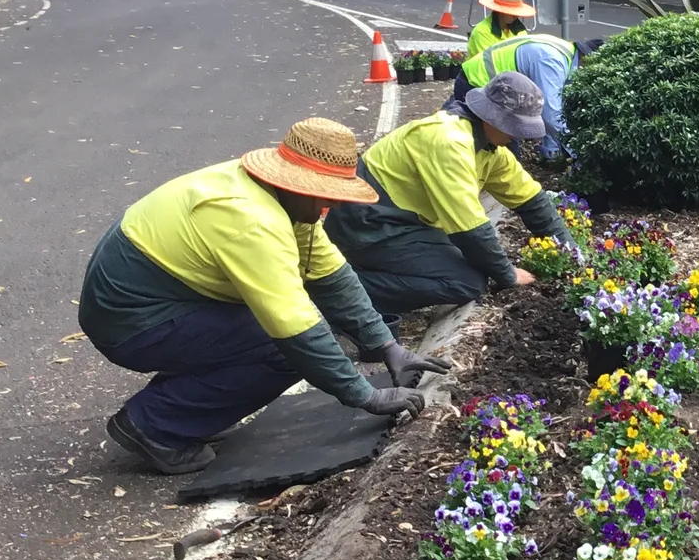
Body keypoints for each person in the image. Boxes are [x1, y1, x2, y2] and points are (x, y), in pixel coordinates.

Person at [79, 118, 451, 475]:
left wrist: (386, 345)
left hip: (166, 298)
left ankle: (183, 409)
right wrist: (364, 396)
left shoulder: (286, 202)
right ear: (301, 184)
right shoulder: (253, 220)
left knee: (292, 335)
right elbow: (294, 328)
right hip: (130, 319)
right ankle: (153, 424)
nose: (334, 205)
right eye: (330, 195)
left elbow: (333, 277)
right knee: (284, 351)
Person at [326, 71, 580, 319]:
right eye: (515, 128)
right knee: (466, 282)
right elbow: (470, 229)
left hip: (399, 221)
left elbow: (533, 202)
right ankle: (338, 292)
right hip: (365, 223)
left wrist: (573, 257)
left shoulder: (489, 147)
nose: (519, 137)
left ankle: (360, 275)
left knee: (469, 263)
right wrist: (508, 274)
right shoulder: (450, 141)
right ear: (492, 119)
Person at [455, 29, 579, 155]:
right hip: (478, 84)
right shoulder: (553, 62)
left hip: (493, 91)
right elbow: (550, 113)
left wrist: (552, 150)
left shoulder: (565, 52)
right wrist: (574, 151)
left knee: (500, 156)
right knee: (481, 150)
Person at [463, 0, 535, 59]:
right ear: (500, 12)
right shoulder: (481, 32)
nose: (516, 16)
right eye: (512, 12)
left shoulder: (520, 31)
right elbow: (490, 64)